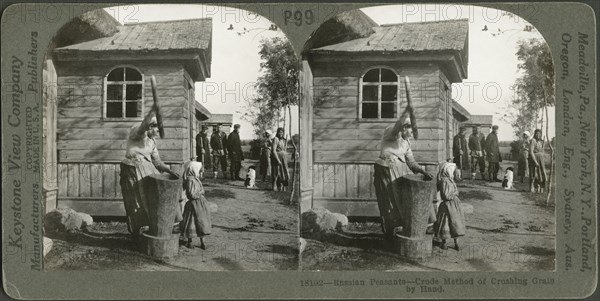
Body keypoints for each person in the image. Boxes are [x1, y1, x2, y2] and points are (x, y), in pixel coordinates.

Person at [119, 107, 178, 238]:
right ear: (150, 127)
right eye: (156, 129)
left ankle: (149, 230)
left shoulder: (152, 142)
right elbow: (142, 127)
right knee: (135, 201)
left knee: (149, 200)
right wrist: (152, 112)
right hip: (132, 171)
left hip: (147, 171)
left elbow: (157, 162)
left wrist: (169, 170)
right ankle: (135, 232)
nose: (157, 132)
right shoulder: (137, 134)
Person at [373, 118, 434, 239]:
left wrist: (422, 171)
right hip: (385, 170)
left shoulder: (406, 143)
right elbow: (396, 128)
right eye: (411, 130)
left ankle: (401, 229)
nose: (412, 134)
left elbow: (411, 163)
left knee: (400, 200)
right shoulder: (391, 134)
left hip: (399, 171)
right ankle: (389, 232)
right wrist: (406, 115)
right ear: (404, 128)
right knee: (388, 201)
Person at [433, 162, 466, 250]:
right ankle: (444, 243)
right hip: (448, 204)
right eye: (453, 170)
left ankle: (456, 243)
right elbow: (446, 195)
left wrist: (455, 193)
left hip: (454, 204)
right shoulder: (444, 181)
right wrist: (455, 193)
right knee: (445, 223)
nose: (454, 171)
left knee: (455, 223)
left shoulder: (449, 179)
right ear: (448, 170)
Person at [179, 161, 212, 250]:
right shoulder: (190, 180)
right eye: (198, 168)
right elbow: (192, 194)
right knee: (191, 222)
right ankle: (190, 242)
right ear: (193, 169)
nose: (200, 170)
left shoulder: (195, 178)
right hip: (194, 203)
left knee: (201, 222)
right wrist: (201, 192)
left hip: (200, 203)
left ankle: (203, 242)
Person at [528, 129, 547, 193]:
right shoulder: (533, 141)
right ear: (534, 134)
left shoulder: (541, 141)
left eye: (539, 134)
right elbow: (531, 152)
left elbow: (542, 150)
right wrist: (535, 161)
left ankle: (541, 187)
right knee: (533, 174)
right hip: (534, 158)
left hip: (541, 159)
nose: (538, 135)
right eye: (537, 133)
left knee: (541, 173)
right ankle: (532, 187)